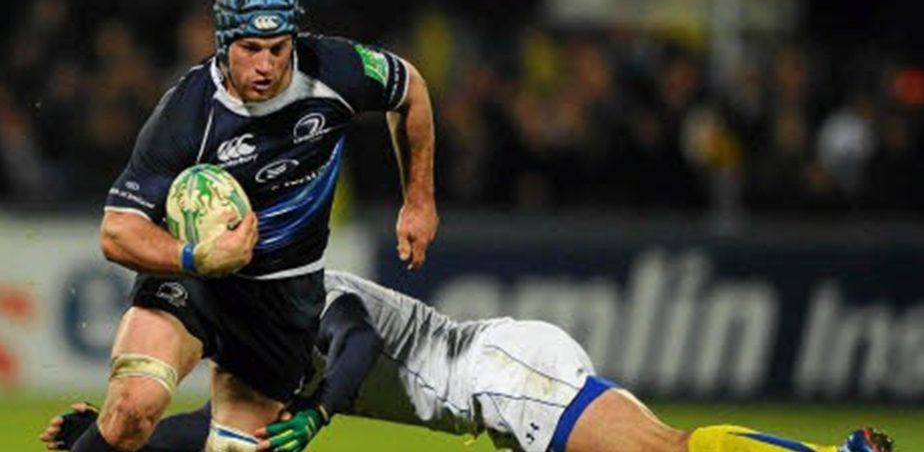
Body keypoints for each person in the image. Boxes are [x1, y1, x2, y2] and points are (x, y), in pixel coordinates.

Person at [66, 0, 438, 452]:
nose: (266, 64)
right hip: (195, 281)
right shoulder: (187, 112)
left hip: (283, 298)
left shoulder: (337, 69)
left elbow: (411, 89)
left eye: (278, 48)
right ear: (224, 44)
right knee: (131, 411)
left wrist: (418, 201)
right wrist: (194, 257)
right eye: (250, 49)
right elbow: (116, 231)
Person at [43, 271, 892, 452]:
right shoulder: (245, 351)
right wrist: (109, 436)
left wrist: (321, 413)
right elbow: (215, 432)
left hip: (500, 372)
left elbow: (356, 339)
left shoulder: (297, 288)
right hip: (488, 399)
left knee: (658, 449)